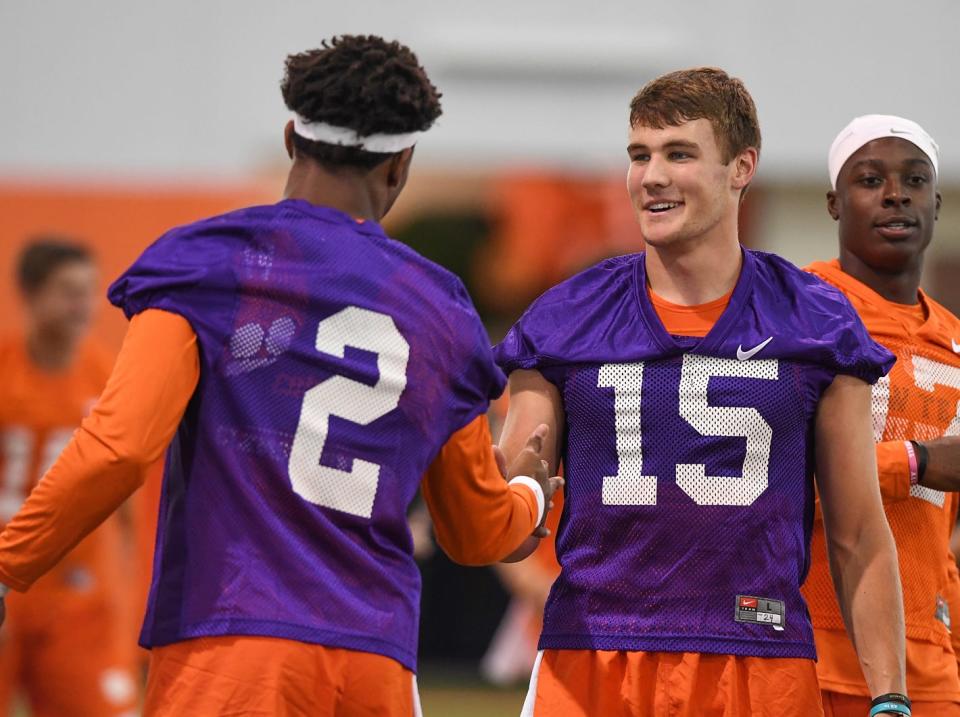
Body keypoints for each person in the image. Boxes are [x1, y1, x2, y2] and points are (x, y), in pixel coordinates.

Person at [0, 35, 560, 716]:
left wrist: (9, 560)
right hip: (374, 665)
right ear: (401, 164)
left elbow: (119, 446)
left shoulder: (204, 263)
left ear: (292, 136)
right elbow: (475, 530)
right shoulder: (441, 308)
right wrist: (528, 493)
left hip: (233, 649)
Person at [494, 68, 910, 716]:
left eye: (679, 153)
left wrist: (890, 694)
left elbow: (857, 531)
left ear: (742, 166)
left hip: (760, 655)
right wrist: (508, 497)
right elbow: (508, 523)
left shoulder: (814, 322)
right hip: (593, 654)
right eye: (640, 155)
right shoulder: (566, 318)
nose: (651, 175)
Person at [802, 115, 960, 717]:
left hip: (928, 658)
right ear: (834, 203)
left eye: (914, 180)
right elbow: (768, 483)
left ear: (937, 203)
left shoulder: (952, 340)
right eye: (871, 180)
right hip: (811, 643)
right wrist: (914, 462)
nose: (896, 194)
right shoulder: (799, 315)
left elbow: (939, 536)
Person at [0, 240, 140, 717]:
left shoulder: (111, 377)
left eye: (88, 292)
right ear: (31, 294)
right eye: (68, 292)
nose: (83, 306)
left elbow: (129, 500)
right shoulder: (5, 370)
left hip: (78, 589)